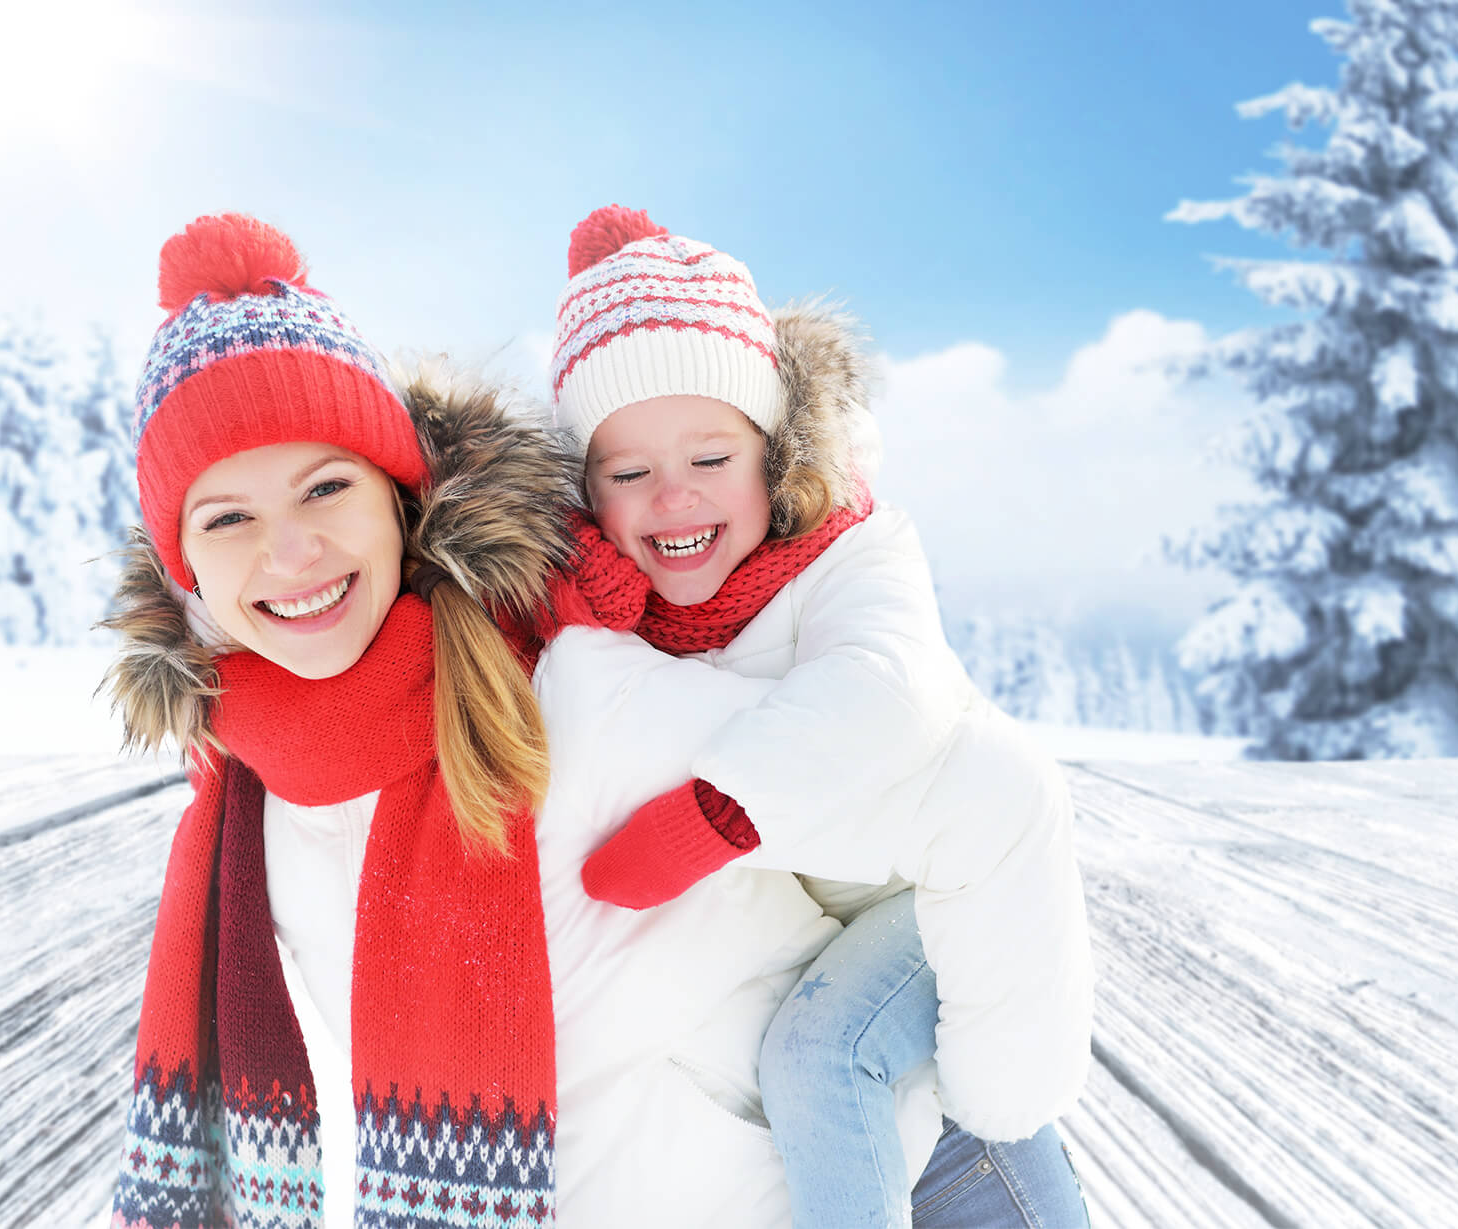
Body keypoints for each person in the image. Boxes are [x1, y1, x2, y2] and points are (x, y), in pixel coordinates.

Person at [100, 211, 850, 1228]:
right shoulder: (246, 795)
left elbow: (904, 811)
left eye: (327, 487)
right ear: (185, 567)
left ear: (399, 499)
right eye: (226, 516)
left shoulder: (564, 676)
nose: (289, 551)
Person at [540, 205, 1096, 1227]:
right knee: (865, 1082)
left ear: (773, 449)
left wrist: (708, 818)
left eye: (709, 458)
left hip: (931, 895)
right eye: (627, 473)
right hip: (826, 915)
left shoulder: (851, 548)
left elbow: (884, 687)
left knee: (837, 1059)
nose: (672, 498)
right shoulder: (623, 609)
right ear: (585, 490)